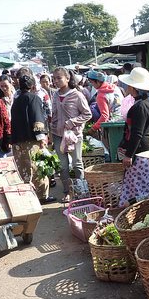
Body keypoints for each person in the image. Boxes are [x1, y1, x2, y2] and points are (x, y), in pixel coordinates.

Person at [10, 74, 54, 203]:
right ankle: (41, 196)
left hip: (17, 140)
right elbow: (37, 118)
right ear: (33, 86)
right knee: (36, 167)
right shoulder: (34, 98)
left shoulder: (16, 100)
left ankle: (28, 196)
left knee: (23, 168)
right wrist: (41, 138)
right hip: (31, 140)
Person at [117, 67, 149, 207]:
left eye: (129, 85)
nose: (127, 87)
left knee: (138, 187)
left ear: (133, 87)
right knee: (142, 185)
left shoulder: (139, 107)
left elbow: (137, 134)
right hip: (144, 150)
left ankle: (136, 209)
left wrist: (129, 155)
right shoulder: (146, 104)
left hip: (139, 153)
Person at [50, 67, 92, 202]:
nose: (56, 81)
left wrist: (73, 121)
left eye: (59, 78)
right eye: (54, 78)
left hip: (74, 136)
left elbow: (87, 114)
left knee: (77, 163)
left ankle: (82, 192)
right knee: (62, 166)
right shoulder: (55, 95)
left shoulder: (77, 95)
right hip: (57, 134)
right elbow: (54, 114)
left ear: (67, 79)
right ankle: (67, 192)